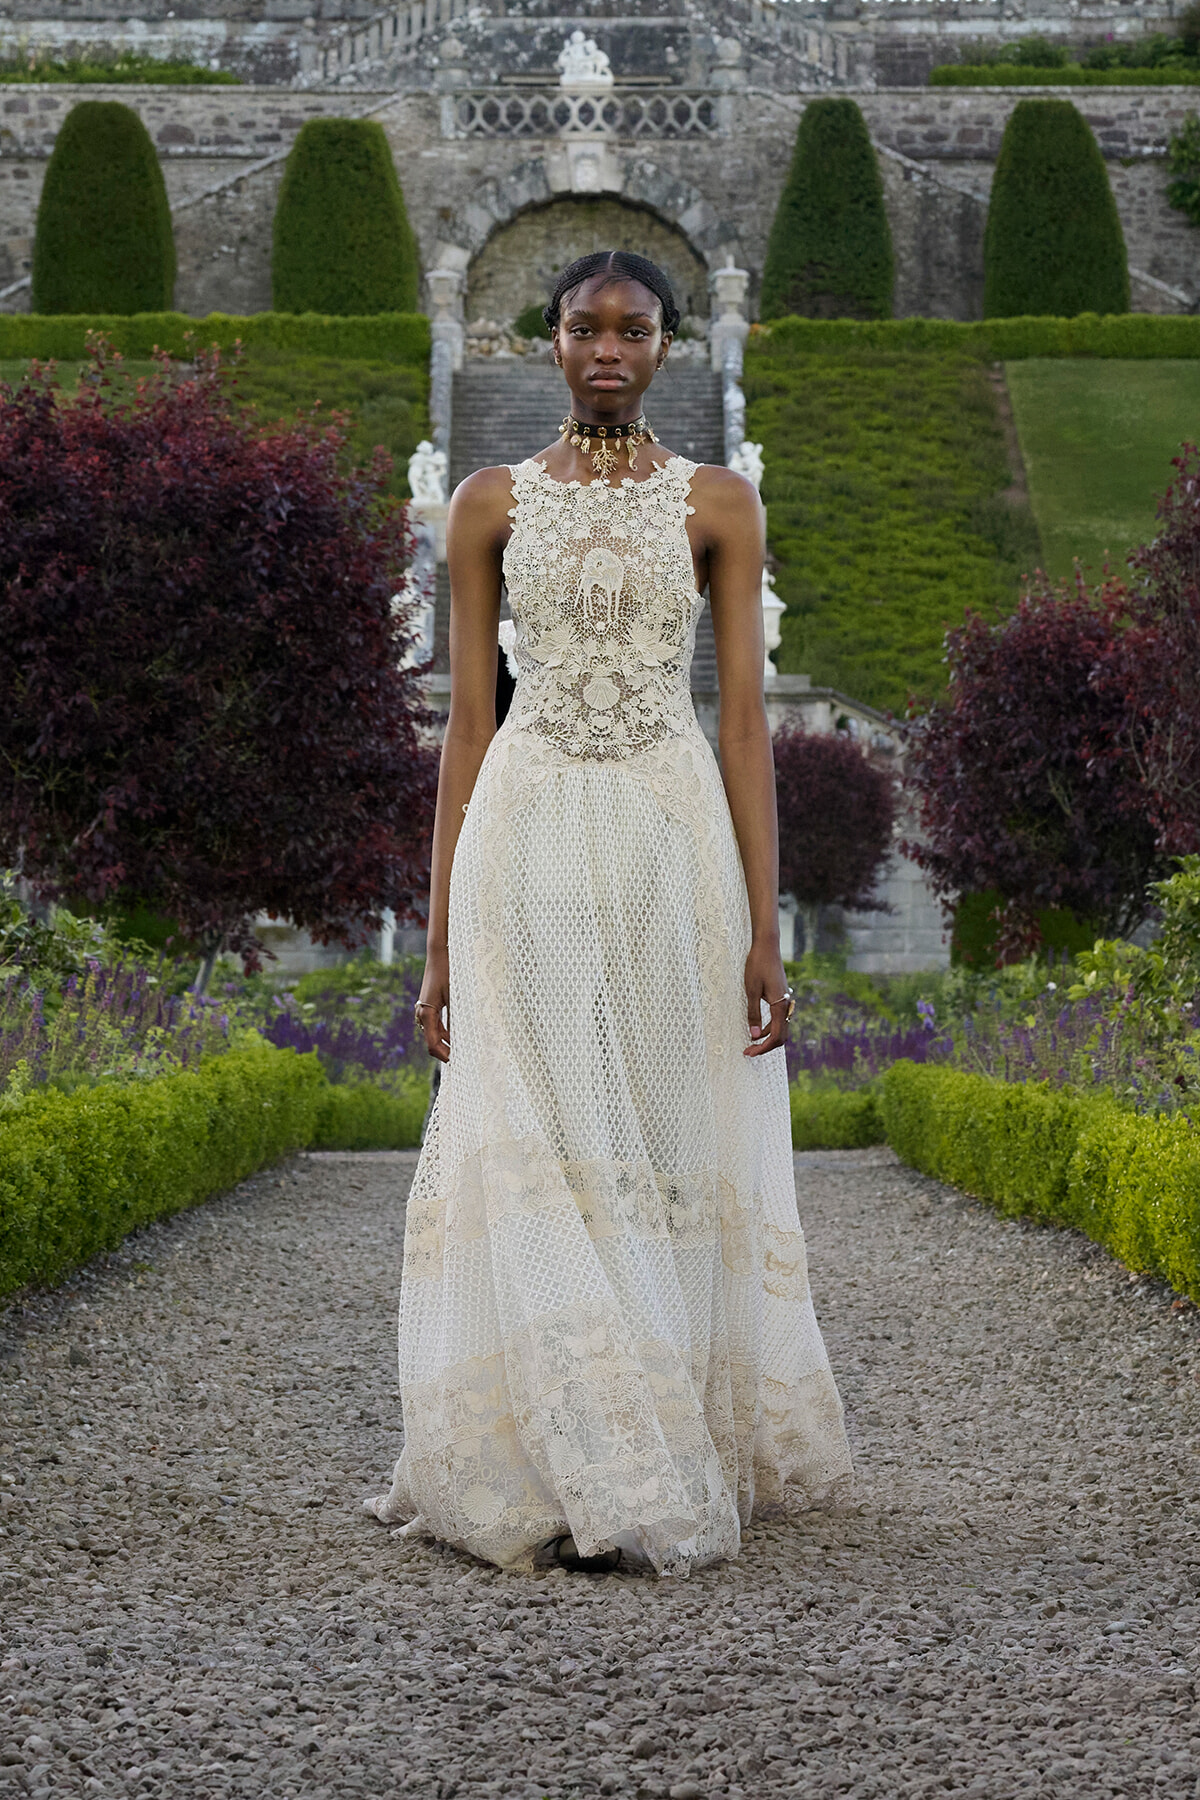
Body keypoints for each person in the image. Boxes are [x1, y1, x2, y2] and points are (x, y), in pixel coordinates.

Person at [366, 250, 853, 1574]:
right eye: (585, 325)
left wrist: (766, 923)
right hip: (522, 835)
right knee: (529, 1126)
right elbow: (469, 723)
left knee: (654, 1118)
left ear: (667, 346)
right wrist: (438, 936)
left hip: (665, 831)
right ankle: (561, 1456)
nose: (607, 348)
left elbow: (746, 720)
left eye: (633, 329)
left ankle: (655, 1427)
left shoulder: (718, 504)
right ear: (551, 339)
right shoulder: (486, 504)